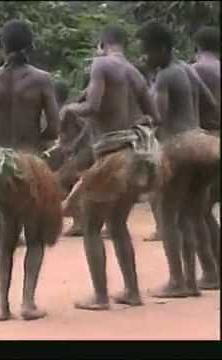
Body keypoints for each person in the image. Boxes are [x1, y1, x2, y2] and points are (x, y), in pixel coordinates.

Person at [0, 20, 60, 321]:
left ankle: (2, 305)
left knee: (6, 239)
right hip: (31, 164)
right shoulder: (42, 80)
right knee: (34, 237)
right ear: (30, 46)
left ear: (1, 45)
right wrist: (37, 146)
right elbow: (55, 126)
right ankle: (28, 303)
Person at [60, 25, 160, 310]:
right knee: (118, 225)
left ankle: (101, 296)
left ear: (101, 43)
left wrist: (69, 109)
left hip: (111, 159)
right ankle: (132, 291)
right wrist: (132, 128)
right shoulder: (136, 73)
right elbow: (156, 116)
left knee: (91, 226)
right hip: (133, 158)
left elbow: (92, 106)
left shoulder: (102, 64)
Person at [137, 22, 220, 297]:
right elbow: (211, 104)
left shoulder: (164, 76)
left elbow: (157, 117)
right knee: (194, 215)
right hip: (202, 144)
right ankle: (206, 274)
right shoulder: (187, 68)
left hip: (178, 148)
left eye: (147, 52)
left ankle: (178, 281)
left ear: (161, 49)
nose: (144, 57)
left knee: (168, 215)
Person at [192, 26, 220, 282]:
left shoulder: (197, 70)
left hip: (209, 139)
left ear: (196, 47)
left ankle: (211, 271)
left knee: (199, 210)